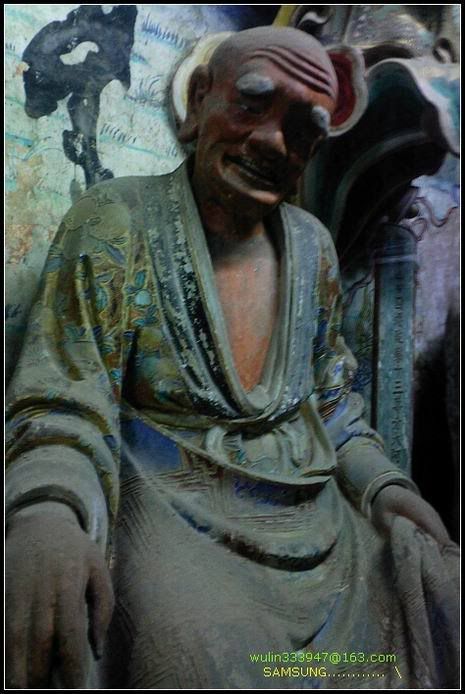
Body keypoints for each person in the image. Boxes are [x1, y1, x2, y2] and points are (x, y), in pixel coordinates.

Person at [5, 27, 459, 689]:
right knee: (201, 663)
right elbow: (65, 400)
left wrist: (385, 486)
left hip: (318, 524)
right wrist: (47, 511)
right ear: (199, 102)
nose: (274, 142)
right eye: (251, 104)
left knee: (439, 599)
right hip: (174, 517)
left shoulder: (311, 246)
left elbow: (332, 406)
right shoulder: (115, 220)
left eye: (302, 129)